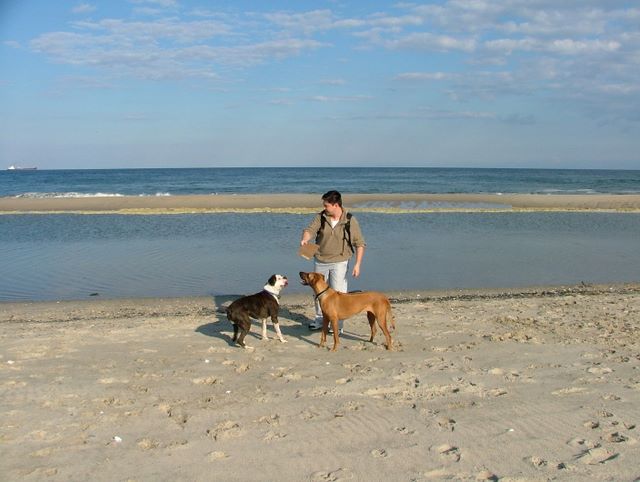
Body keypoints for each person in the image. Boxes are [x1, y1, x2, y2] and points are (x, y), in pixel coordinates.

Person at [300, 190, 366, 331]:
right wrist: (305, 239)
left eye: (326, 205)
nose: (324, 208)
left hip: (340, 261)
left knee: (338, 293)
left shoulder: (350, 220)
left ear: (336, 205)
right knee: (318, 292)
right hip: (320, 259)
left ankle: (338, 324)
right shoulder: (321, 217)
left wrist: (357, 264)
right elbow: (309, 230)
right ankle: (320, 320)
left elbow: (360, 243)